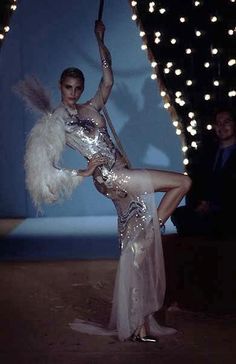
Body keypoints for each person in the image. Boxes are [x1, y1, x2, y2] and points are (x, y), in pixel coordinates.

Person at [16, 20, 191, 342]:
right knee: (183, 183)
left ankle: (140, 324)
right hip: (113, 176)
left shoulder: (91, 107)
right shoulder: (55, 123)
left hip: (118, 179)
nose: (73, 93)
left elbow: (108, 80)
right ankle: (156, 226)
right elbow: (44, 170)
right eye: (68, 87)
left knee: (134, 253)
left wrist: (101, 40)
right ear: (60, 86)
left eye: (77, 88)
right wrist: (79, 173)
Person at [171, 108, 236, 238]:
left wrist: (214, 205)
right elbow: (198, 183)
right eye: (218, 123)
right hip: (205, 209)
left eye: (226, 122)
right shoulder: (208, 153)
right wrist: (200, 204)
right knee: (179, 214)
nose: (222, 126)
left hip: (229, 210)